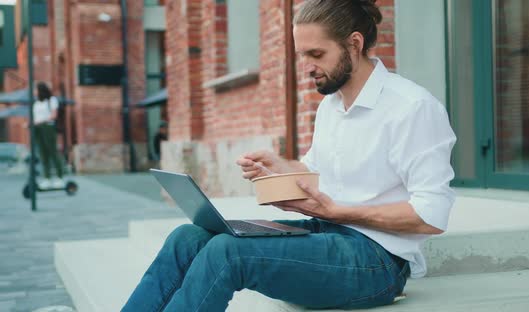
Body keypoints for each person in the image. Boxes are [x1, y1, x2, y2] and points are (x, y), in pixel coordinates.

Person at [122, 0, 456, 311]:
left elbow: (431, 215)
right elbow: (314, 170)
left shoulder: (412, 107)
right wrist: (279, 167)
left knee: (229, 253)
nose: (307, 67)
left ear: (354, 44)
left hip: (378, 262)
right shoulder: (331, 106)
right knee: (187, 238)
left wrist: (339, 211)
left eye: (316, 54)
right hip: (328, 233)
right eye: (302, 55)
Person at [33, 82, 65, 189]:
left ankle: (60, 177)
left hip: (48, 127)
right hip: (38, 129)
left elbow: (53, 115)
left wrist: (40, 121)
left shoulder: (51, 100)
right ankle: (47, 178)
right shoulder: (36, 103)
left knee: (52, 152)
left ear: (40, 90)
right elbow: (35, 117)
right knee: (43, 154)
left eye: (35, 89)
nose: (34, 91)